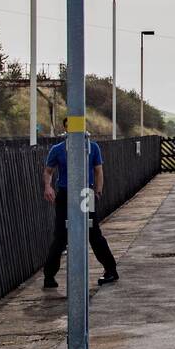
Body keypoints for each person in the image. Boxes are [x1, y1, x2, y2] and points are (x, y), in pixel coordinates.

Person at [41, 121, 119, 289]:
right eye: (71, 125)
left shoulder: (92, 148)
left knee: (93, 233)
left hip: (86, 193)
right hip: (65, 193)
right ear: (66, 128)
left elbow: (98, 170)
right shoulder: (58, 149)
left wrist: (97, 191)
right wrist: (48, 186)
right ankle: (49, 276)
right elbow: (48, 170)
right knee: (61, 236)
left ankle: (111, 270)